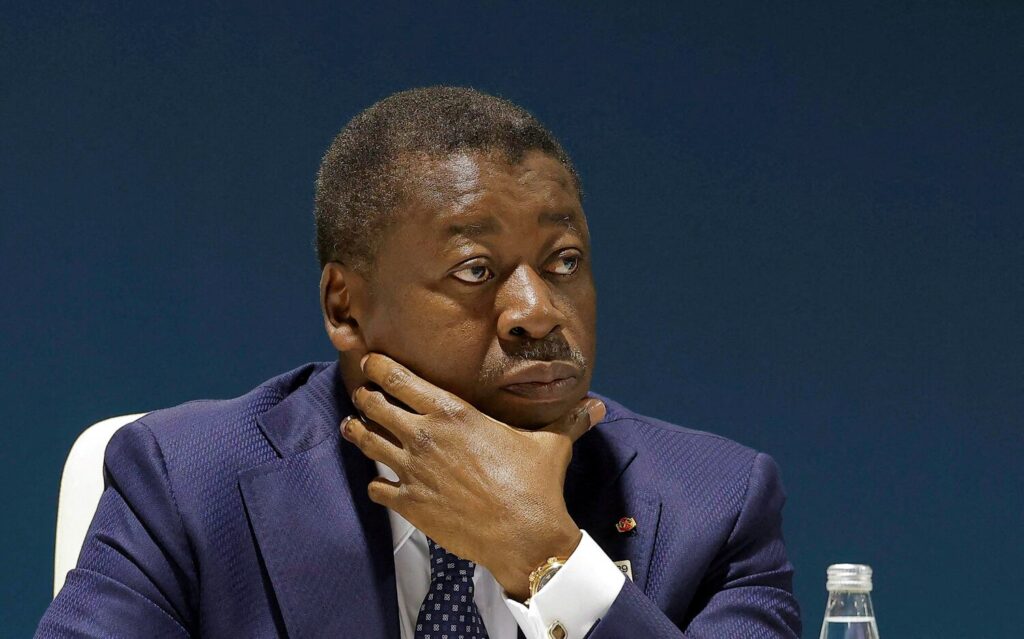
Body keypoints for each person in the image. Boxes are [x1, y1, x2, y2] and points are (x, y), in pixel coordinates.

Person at [37, 86, 801, 638]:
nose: (537, 310)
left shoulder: (712, 503)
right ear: (345, 306)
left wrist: (546, 554)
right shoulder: (190, 482)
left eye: (563, 260)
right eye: (476, 269)